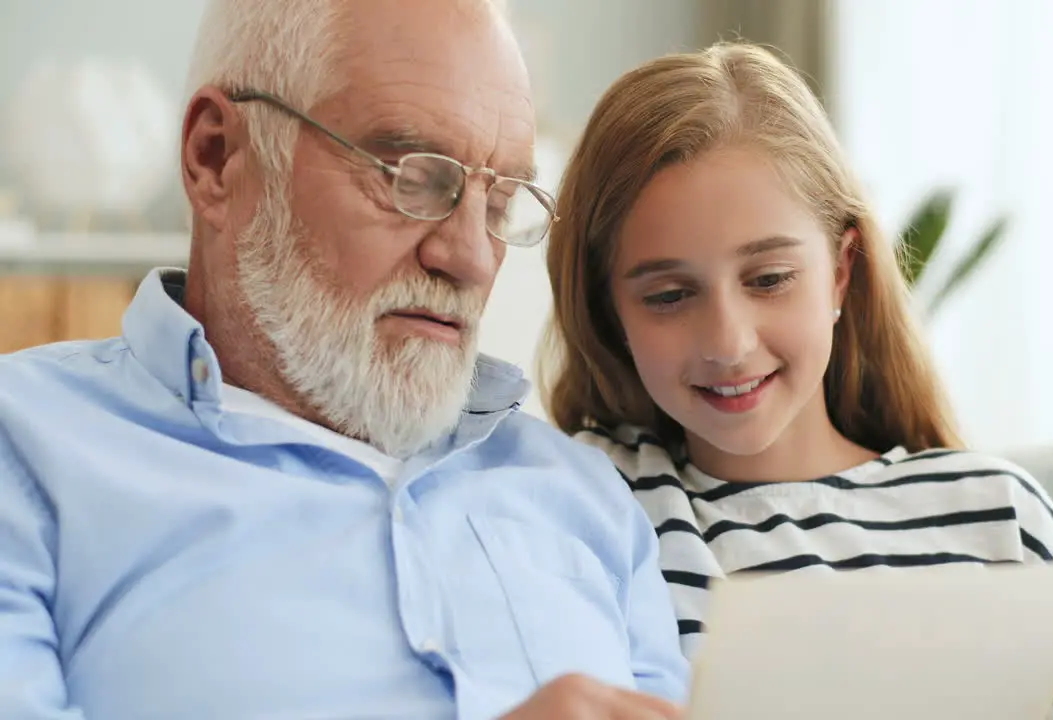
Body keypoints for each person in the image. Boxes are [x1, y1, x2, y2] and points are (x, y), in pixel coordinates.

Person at [0, 1, 688, 718]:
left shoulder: (588, 498)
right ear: (216, 158)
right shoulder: (24, 450)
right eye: (412, 178)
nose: (470, 258)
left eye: (499, 203)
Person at [539, 42, 1053, 719]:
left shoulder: (996, 515)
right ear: (609, 309)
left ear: (841, 271)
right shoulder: (592, 504)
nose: (729, 343)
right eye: (671, 295)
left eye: (769, 279)